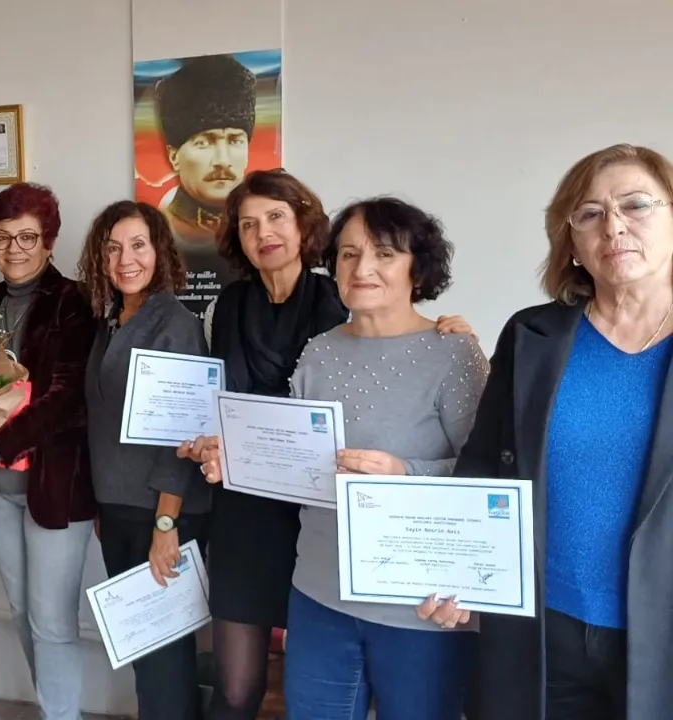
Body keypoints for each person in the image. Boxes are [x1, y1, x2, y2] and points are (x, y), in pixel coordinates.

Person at [177, 170, 475, 719]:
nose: (363, 269)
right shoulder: (315, 350)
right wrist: (228, 454)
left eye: (384, 254)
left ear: (417, 267)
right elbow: (294, 448)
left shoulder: (451, 352)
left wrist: (405, 472)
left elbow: (488, 479)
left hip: (409, 588)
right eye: (350, 255)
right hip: (312, 574)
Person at [425, 144, 673, 720]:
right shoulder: (531, 336)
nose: (613, 226)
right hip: (542, 630)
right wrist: (459, 572)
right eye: (589, 213)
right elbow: (483, 464)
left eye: (636, 205)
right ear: (571, 243)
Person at [0, 183, 96, 720]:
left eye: (27, 237)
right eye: (3, 238)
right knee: (24, 612)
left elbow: (67, 399)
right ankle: (55, 709)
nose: (14, 249)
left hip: (55, 488)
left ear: (49, 240)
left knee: (52, 621)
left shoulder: (75, 302)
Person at [77, 200, 211, 719]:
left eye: (138, 246)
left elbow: (184, 432)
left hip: (163, 511)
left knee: (163, 655)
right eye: (113, 249)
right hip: (119, 510)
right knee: (143, 646)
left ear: (160, 252)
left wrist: (165, 524)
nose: (125, 260)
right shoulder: (110, 320)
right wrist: (103, 506)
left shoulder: (175, 324)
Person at [154, 54, 257, 318]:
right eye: (204, 142)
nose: (222, 160)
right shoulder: (156, 231)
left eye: (234, 140)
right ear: (174, 156)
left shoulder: (264, 233)